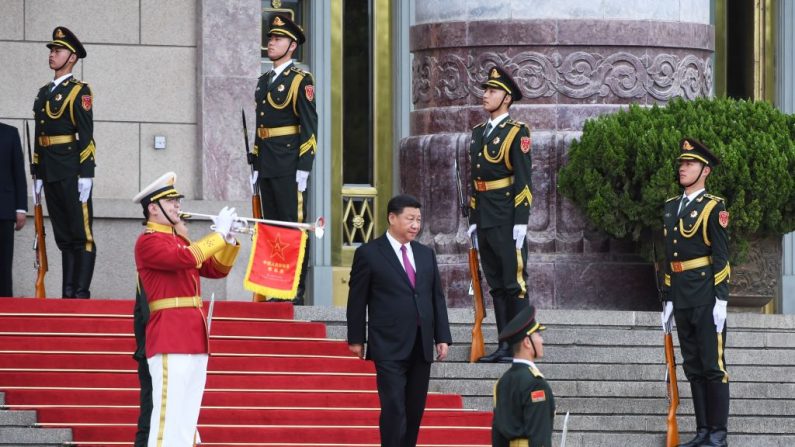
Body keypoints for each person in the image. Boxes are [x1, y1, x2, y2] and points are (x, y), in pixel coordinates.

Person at [133, 172, 241, 446]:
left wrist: (227, 240)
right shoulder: (148, 242)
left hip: (194, 335)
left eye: (177, 200)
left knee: (186, 421)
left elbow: (216, 270)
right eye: (170, 201)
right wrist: (216, 235)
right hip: (170, 336)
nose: (177, 205)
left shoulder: (178, 240)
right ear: (152, 208)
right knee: (167, 420)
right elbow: (187, 258)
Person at [346, 194, 452, 447]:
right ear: (392, 218)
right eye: (410, 219)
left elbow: (436, 297)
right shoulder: (369, 253)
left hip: (421, 343)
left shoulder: (426, 254)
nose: (415, 225)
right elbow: (357, 300)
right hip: (388, 345)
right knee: (394, 408)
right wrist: (357, 338)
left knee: (414, 411)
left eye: (418, 219)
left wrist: (442, 336)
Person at [661, 138, 730, 447]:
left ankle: (718, 433)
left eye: (689, 164)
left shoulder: (714, 206)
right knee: (692, 367)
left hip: (705, 295)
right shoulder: (671, 206)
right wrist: (668, 298)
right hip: (682, 296)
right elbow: (669, 255)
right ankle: (702, 432)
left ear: (705, 171)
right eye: (681, 163)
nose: (683, 168)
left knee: (712, 367)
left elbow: (721, 255)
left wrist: (721, 299)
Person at [250, 13, 318, 304]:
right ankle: (276, 286)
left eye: (277, 39)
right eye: (270, 38)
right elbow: (259, 124)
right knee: (271, 226)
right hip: (266, 162)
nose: (271, 43)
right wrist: (254, 160)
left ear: (292, 45)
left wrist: (304, 166)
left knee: (292, 226)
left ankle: (294, 290)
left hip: (289, 163)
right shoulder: (264, 80)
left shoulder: (301, 80)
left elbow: (309, 126)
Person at [467, 66, 533, 363]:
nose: (485, 95)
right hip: (484, 217)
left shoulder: (517, 133)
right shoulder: (479, 133)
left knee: (513, 282)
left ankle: (518, 346)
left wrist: (521, 221)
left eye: (492, 91)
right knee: (495, 283)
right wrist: (472, 219)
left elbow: (523, 180)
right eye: (485, 90)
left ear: (506, 98)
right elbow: (473, 180)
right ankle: (503, 344)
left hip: (506, 217)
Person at [31, 26, 97, 298]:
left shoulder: (79, 91)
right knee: (63, 236)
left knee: (82, 236)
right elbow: (39, 136)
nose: (52, 55)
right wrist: (36, 173)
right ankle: (66, 293)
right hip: (50, 171)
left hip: (72, 169)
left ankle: (80, 293)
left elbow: (86, 134)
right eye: (51, 50)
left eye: (57, 51)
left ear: (71, 57)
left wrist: (86, 173)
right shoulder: (43, 92)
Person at [491, 305, 555, 447]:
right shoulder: (536, 383)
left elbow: (498, 436)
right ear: (527, 342)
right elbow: (539, 437)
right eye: (538, 335)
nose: (542, 340)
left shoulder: (502, 382)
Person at [0, 123, 27, 297]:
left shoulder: (10, 133)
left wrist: (21, 208)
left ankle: (4, 310)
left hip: (4, 210)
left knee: (3, 264)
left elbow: (19, 173)